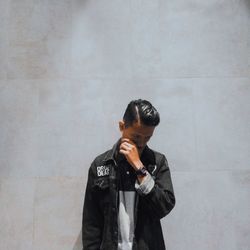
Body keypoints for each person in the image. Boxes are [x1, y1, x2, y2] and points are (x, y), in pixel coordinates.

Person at [82, 99, 175, 250]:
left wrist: (140, 168)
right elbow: (91, 223)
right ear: (122, 126)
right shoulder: (100, 165)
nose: (141, 143)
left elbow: (163, 207)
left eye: (147, 137)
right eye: (136, 136)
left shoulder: (157, 162)